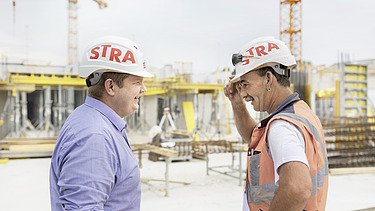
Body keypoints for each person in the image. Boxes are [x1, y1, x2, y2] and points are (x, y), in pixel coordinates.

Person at [224, 37, 329, 211]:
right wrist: (236, 103)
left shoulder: (282, 127)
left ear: (268, 79)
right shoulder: (300, 113)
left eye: (245, 84)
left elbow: (297, 188)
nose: (243, 93)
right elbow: (254, 138)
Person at [50, 36, 153, 211]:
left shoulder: (96, 122)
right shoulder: (94, 137)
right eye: (137, 82)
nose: (144, 89)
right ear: (111, 86)